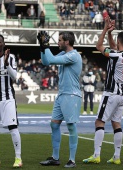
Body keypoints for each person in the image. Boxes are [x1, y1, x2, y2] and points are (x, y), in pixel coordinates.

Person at [83, 16, 123, 165]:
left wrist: (105, 29)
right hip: (122, 94)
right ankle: (117, 157)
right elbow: (114, 47)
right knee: (116, 124)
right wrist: (112, 34)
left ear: (119, 42)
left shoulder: (116, 55)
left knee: (99, 122)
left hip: (110, 93)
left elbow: (99, 46)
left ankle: (96, 155)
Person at [37, 31, 82, 168]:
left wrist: (46, 45)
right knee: (54, 124)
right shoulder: (64, 54)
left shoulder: (74, 55)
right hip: (62, 95)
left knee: (71, 126)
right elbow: (46, 61)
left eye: (60, 40)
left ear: (67, 42)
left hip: (71, 95)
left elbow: (51, 60)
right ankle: (55, 158)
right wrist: (42, 47)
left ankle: (72, 160)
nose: (58, 42)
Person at [0, 34, 22, 168]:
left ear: (3, 44)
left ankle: (18, 158)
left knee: (13, 128)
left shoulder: (11, 57)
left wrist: (6, 64)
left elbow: (15, 77)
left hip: (8, 98)